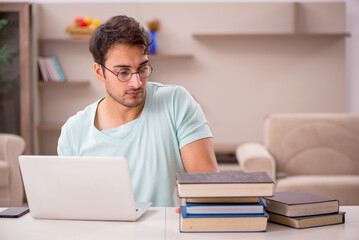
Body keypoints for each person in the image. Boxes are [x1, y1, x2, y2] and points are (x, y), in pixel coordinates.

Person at [57, 15, 219, 207]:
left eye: (142, 69)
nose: (136, 83)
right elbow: (71, 208)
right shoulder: (74, 131)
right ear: (99, 72)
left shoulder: (176, 102)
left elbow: (208, 188)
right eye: (123, 72)